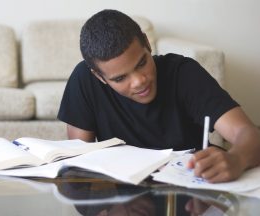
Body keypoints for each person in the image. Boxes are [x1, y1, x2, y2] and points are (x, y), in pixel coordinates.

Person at [57, 9, 260, 183]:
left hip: (188, 195)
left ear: (147, 43)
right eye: (120, 78)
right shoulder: (84, 79)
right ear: (99, 77)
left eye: (141, 63)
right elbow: (78, 164)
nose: (139, 81)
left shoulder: (183, 73)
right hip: (123, 196)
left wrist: (237, 159)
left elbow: (249, 134)